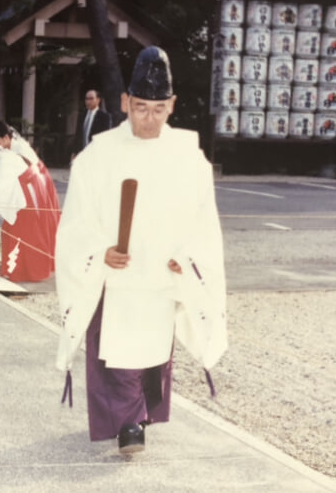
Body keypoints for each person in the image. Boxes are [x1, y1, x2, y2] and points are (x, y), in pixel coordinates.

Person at [55, 46, 226, 453]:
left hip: (161, 273)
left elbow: (204, 221)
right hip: (117, 273)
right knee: (113, 352)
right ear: (125, 102)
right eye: (141, 108)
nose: (149, 119)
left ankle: (140, 419)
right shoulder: (99, 155)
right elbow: (76, 220)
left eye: (159, 110)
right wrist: (100, 250)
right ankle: (129, 424)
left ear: (172, 106)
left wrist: (185, 256)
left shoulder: (188, 156)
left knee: (151, 349)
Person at [0, 136, 57, 283]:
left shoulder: (3, 160)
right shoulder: (1, 157)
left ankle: (30, 272)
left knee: (24, 233)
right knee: (12, 230)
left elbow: (0, 188)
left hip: (25, 195)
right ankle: (17, 270)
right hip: (23, 192)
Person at [0, 120, 60, 255]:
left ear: (6, 138)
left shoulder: (20, 147)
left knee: (38, 222)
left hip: (37, 179)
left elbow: (31, 168)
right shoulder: (5, 149)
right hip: (24, 183)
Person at [73, 89, 112, 158]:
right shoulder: (82, 115)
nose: (88, 101)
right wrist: (74, 152)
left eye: (91, 99)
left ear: (98, 100)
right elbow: (78, 134)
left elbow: (105, 137)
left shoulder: (104, 117)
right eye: (86, 99)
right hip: (82, 154)